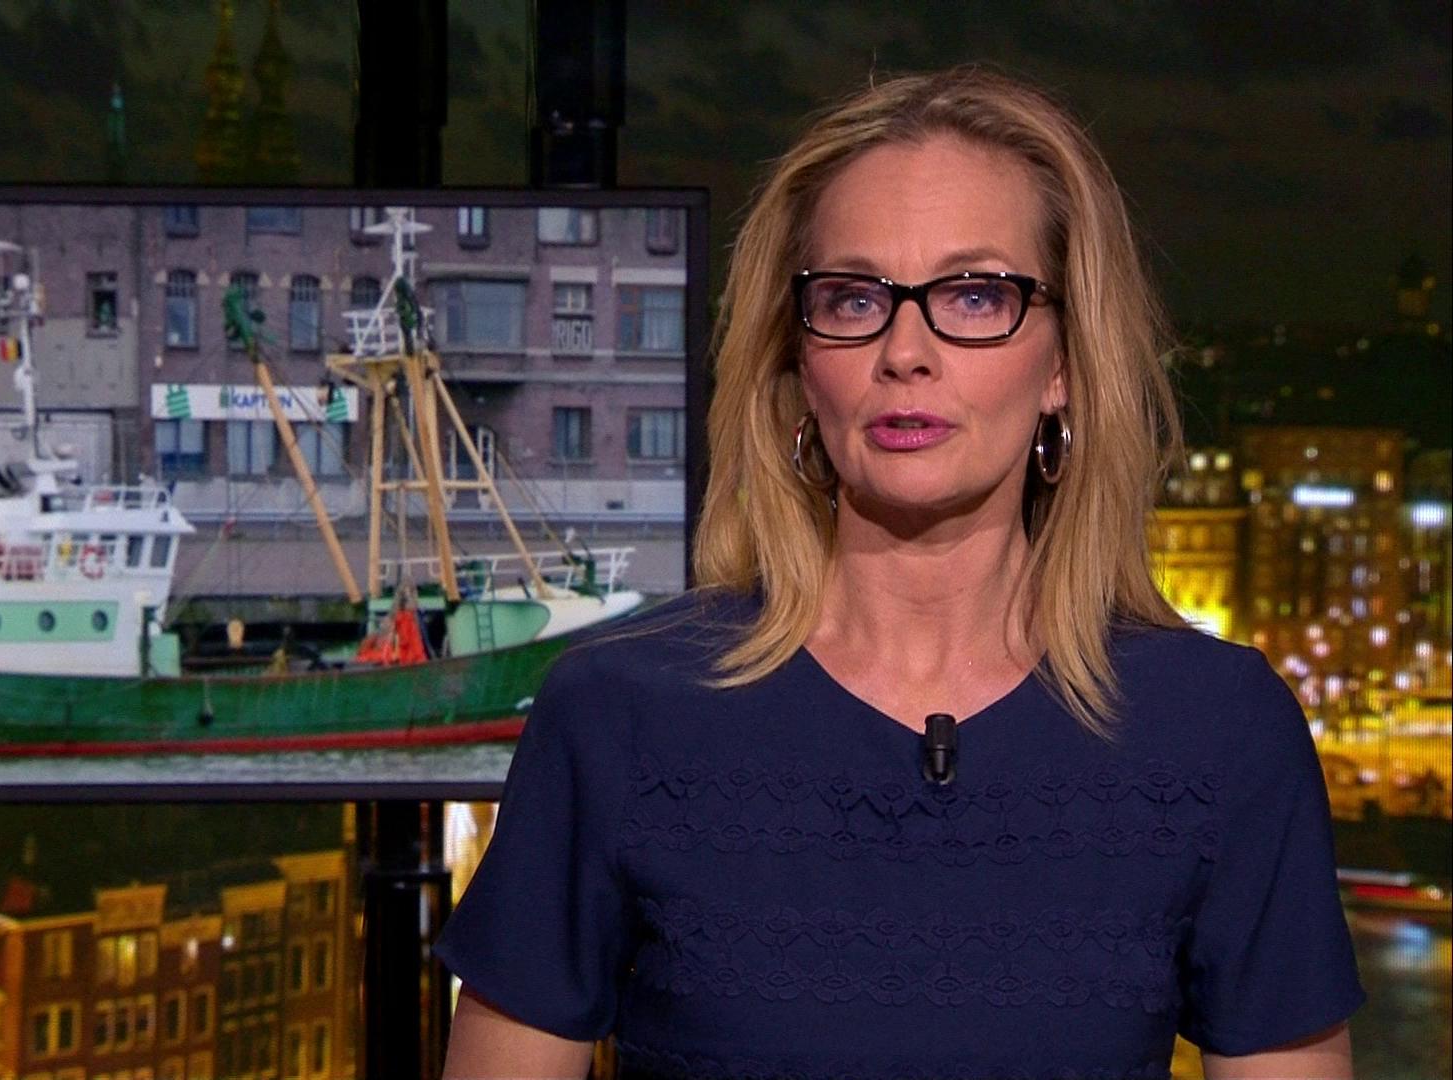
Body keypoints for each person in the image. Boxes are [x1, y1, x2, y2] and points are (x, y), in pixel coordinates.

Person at [435, 66, 1364, 1079]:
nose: (904, 351)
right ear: (799, 362)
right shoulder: (616, 714)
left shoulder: (1221, 731)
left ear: (1063, 363)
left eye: (975, 295)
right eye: (854, 298)